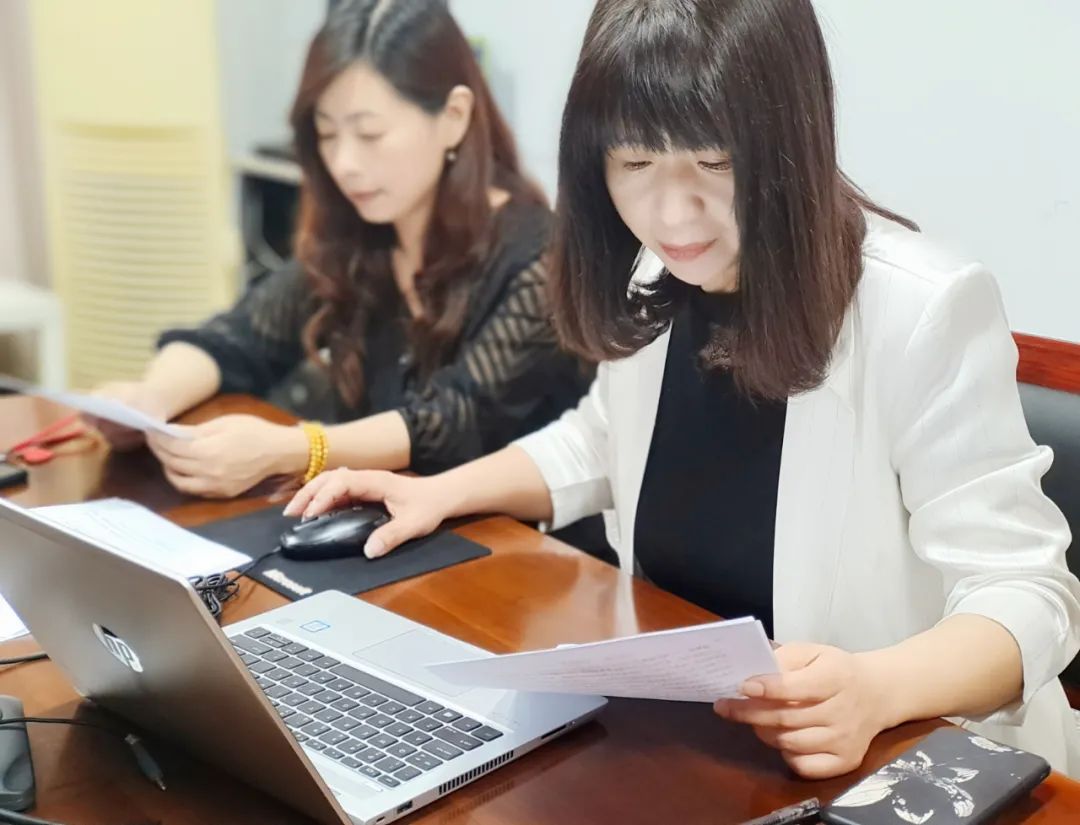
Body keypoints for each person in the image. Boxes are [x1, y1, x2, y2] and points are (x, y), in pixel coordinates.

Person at [284, 0, 1080, 780]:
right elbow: (599, 437)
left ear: (790, 140)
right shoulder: (660, 269)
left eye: (714, 161)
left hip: (896, 762)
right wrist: (438, 491)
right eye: (634, 163)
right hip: (702, 743)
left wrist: (877, 688)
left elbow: (1028, 591)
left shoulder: (921, 309)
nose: (670, 212)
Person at [91, 0, 587, 498]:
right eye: (327, 134)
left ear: (453, 117)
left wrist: (295, 448)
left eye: (370, 134)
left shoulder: (539, 257)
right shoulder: (361, 235)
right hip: (379, 522)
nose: (344, 162)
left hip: (512, 537)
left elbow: (453, 420)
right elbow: (238, 337)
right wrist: (149, 400)